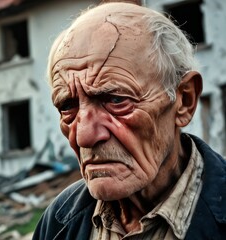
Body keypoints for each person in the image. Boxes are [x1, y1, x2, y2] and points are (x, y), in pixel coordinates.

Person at [33, 2, 226, 239]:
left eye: (115, 100)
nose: (83, 135)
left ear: (184, 100)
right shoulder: (58, 221)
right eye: (67, 106)